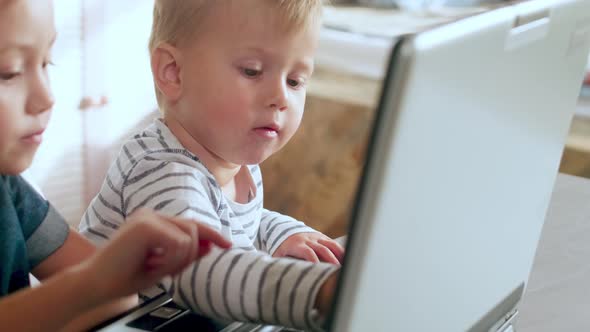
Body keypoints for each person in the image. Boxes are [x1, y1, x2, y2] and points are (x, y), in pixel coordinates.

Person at [81, 0, 343, 330]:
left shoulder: (231, 160)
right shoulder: (162, 171)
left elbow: (234, 224)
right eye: (252, 71)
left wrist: (283, 235)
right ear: (173, 72)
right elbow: (204, 274)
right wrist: (316, 291)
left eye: (295, 81)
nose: (280, 97)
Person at [0, 0, 231, 331]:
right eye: (8, 72)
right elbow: (96, 287)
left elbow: (115, 297)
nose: (47, 97)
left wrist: (120, 271)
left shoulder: (10, 192)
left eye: (46, 62)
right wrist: (93, 283)